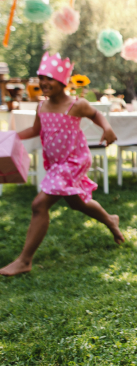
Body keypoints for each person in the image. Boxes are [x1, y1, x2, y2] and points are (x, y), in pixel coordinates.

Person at [0, 52, 124, 277]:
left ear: (62, 81)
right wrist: (11, 136)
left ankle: (24, 260)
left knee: (39, 204)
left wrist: (106, 128)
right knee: (78, 203)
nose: (44, 83)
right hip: (56, 162)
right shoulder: (41, 107)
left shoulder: (76, 105)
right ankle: (110, 220)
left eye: (49, 78)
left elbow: (96, 114)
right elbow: (36, 130)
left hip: (74, 160)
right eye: (41, 78)